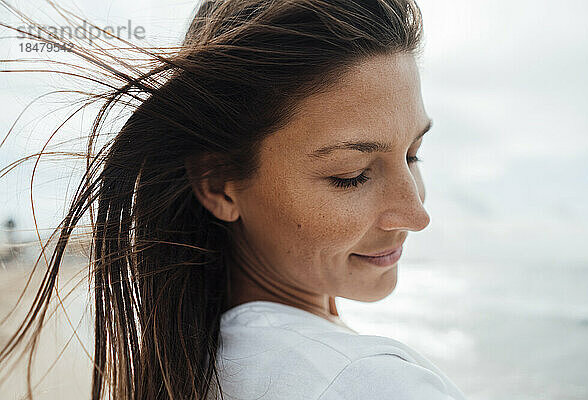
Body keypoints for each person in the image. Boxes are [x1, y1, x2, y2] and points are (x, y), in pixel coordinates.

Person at [0, 0, 468, 399]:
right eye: (352, 176)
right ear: (219, 184)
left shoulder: (187, 365)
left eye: (413, 155)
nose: (416, 214)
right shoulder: (367, 381)